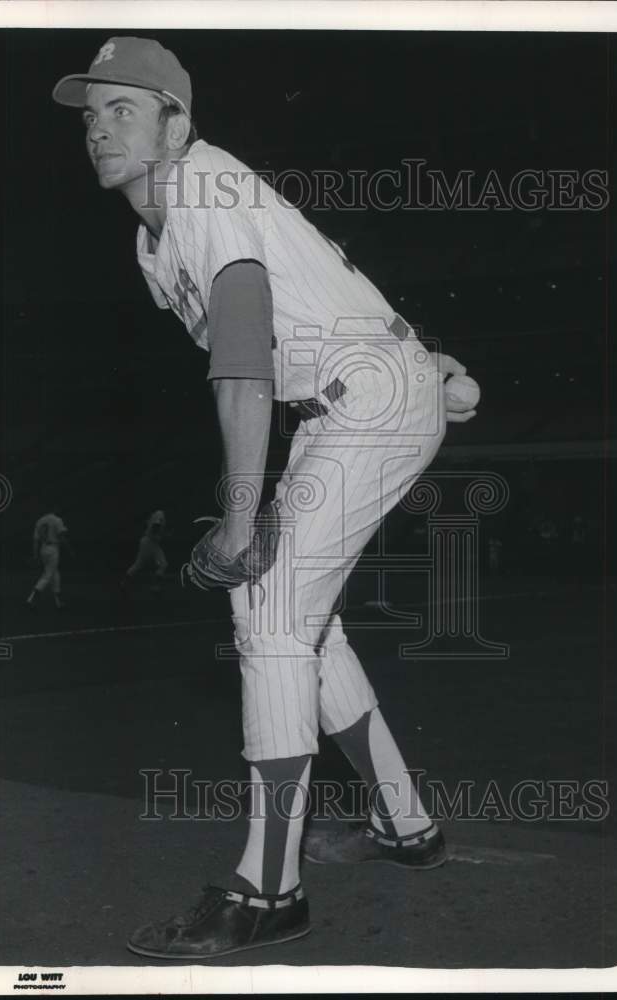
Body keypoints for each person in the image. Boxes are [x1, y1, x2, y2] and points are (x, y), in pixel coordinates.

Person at [53, 37, 477, 960]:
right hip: (365, 388)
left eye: (123, 108)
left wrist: (243, 519)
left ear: (179, 124)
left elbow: (242, 358)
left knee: (272, 607)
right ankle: (405, 823)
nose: (98, 128)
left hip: (366, 393)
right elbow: (298, 309)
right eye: (91, 114)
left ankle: (270, 890)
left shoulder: (202, 189)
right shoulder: (151, 234)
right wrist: (414, 359)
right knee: (300, 619)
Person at [26, 508, 70, 610]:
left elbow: (35, 541)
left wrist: (35, 554)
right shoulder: (57, 520)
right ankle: (32, 598)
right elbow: (62, 537)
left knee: (54, 573)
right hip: (53, 549)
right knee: (48, 574)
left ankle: (58, 601)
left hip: (43, 548)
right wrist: (69, 550)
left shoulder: (40, 520)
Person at [124, 509, 168, 593]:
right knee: (161, 564)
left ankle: (124, 583)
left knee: (140, 564)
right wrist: (163, 534)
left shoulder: (155, 514)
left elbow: (148, 524)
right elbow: (156, 526)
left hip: (148, 541)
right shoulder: (160, 513)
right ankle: (156, 587)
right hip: (150, 542)